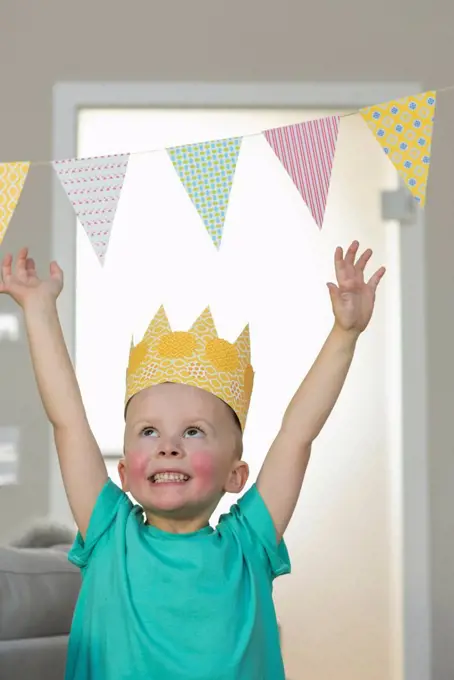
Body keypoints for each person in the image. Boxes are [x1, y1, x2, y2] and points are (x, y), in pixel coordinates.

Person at [0, 241, 385, 679]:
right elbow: (67, 419)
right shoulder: (109, 532)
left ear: (235, 475)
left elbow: (297, 435)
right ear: (124, 472)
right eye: (149, 432)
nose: (168, 446)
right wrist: (38, 308)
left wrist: (345, 333)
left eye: (193, 431)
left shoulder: (248, 544)